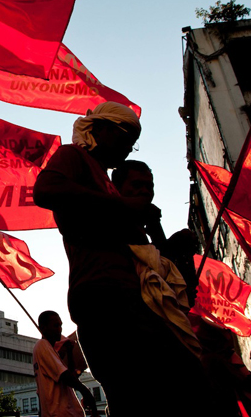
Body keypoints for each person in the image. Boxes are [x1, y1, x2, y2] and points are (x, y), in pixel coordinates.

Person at [33, 102, 213, 417]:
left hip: (136, 299)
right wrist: (126, 207)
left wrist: (174, 250)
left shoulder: (109, 184)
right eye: (125, 136)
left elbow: (142, 255)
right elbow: (46, 189)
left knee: (176, 389)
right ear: (100, 129)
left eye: (134, 141)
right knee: (161, 389)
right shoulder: (75, 157)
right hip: (104, 295)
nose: (129, 147)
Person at [111, 160, 200, 306]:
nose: (145, 191)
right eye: (137, 185)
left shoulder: (144, 223)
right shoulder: (111, 219)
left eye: (149, 186)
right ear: (117, 188)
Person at [33, 311, 97, 417]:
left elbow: (72, 375)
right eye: (55, 325)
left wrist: (69, 352)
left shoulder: (50, 351)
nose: (59, 329)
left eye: (60, 325)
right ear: (43, 328)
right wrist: (86, 393)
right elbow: (67, 377)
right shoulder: (42, 345)